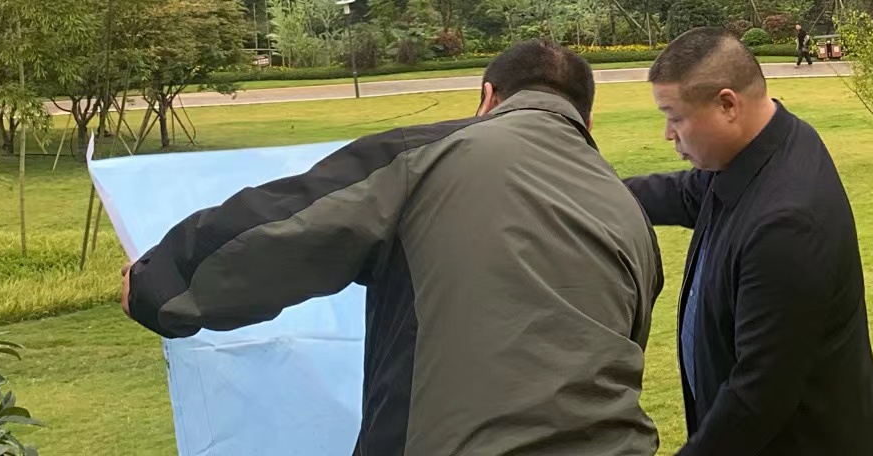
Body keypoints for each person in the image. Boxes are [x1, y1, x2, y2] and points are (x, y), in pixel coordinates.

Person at [120, 40, 663, 456]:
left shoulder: (430, 156)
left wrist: (162, 283)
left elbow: (285, 226)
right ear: (587, 120)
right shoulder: (628, 209)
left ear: (487, 98)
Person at [626, 28, 873, 455]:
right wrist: (595, 194)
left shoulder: (786, 224)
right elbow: (688, 194)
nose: (668, 134)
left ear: (728, 105)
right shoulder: (762, 149)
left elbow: (759, 395)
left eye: (674, 117)